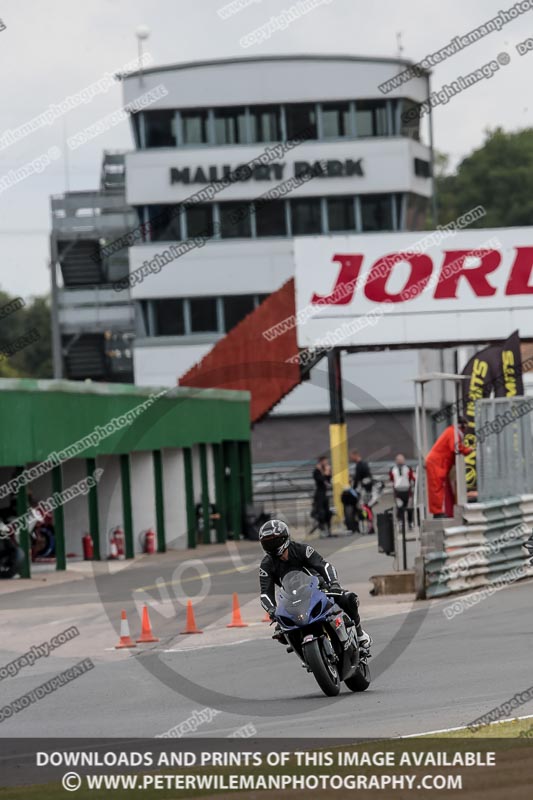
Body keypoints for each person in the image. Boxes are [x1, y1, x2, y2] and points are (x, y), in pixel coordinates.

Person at [258, 519, 372, 649]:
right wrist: (272, 609)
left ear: (284, 538)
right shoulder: (266, 565)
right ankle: (304, 652)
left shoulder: (302, 550)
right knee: (281, 632)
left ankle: (360, 633)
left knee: (349, 599)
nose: (271, 546)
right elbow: (265, 593)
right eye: (267, 543)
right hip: (292, 600)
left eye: (274, 541)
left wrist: (334, 584)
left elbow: (324, 566)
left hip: (319, 589)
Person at [425, 417, 472, 518]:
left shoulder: (452, 431)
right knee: (437, 487)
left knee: (440, 487)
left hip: (440, 462)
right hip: (437, 462)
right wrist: (467, 450)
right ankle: (437, 512)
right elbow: (455, 447)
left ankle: (442, 511)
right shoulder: (453, 433)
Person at [389, 454, 415, 529]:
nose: (400, 461)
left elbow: (412, 477)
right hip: (398, 492)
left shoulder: (408, 468)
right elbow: (391, 479)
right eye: (398, 459)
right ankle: (400, 522)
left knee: (409, 507)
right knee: (400, 507)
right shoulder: (393, 469)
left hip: (407, 491)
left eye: (401, 459)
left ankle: (410, 522)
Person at [311, 455, 332, 537]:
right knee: (321, 513)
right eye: (325, 461)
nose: (326, 463)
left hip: (325, 494)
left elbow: (328, 481)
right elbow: (321, 480)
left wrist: (328, 473)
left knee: (328, 512)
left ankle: (328, 530)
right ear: (321, 462)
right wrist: (325, 472)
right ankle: (322, 529)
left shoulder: (326, 470)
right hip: (319, 494)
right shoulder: (316, 471)